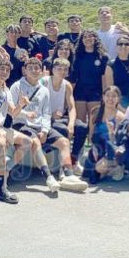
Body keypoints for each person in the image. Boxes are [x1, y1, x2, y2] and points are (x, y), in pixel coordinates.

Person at [0, 59, 37, 203]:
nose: (4, 72)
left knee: (27, 142)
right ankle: (0, 187)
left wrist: (21, 105)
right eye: (1, 69)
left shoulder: (6, 90)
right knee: (1, 144)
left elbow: (13, 112)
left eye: (7, 70)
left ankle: (6, 169)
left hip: (2, 128)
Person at [10, 58, 72, 193]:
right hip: (22, 124)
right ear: (24, 70)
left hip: (39, 125)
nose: (33, 70)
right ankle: (48, 177)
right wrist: (26, 114)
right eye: (30, 68)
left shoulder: (44, 90)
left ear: (41, 70)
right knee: (36, 142)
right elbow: (12, 111)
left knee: (64, 142)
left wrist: (45, 130)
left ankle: (69, 174)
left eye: (36, 68)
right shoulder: (16, 86)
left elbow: (47, 113)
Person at [40, 58, 89, 187]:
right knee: (63, 129)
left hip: (61, 118)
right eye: (59, 69)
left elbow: (72, 107)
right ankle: (64, 169)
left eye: (65, 69)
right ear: (53, 70)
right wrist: (51, 114)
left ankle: (73, 161)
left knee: (82, 127)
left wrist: (72, 123)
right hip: (45, 119)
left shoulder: (67, 85)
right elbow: (37, 105)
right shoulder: (44, 82)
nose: (62, 72)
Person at [83, 86, 126, 184]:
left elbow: (120, 141)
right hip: (98, 148)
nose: (110, 99)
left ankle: (117, 165)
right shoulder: (95, 112)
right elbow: (91, 133)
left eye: (114, 96)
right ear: (103, 97)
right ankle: (107, 169)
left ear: (118, 99)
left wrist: (112, 131)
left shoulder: (120, 116)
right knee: (88, 176)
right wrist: (92, 147)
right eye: (108, 96)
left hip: (111, 149)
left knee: (96, 174)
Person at [71, 30, 109, 128]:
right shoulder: (77, 56)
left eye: (91, 36)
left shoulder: (103, 57)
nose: (88, 39)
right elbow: (74, 77)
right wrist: (70, 95)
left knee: (94, 122)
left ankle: (93, 142)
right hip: (80, 92)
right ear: (81, 40)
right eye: (85, 37)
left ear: (95, 39)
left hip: (96, 92)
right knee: (80, 123)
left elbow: (104, 77)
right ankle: (80, 143)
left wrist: (105, 95)